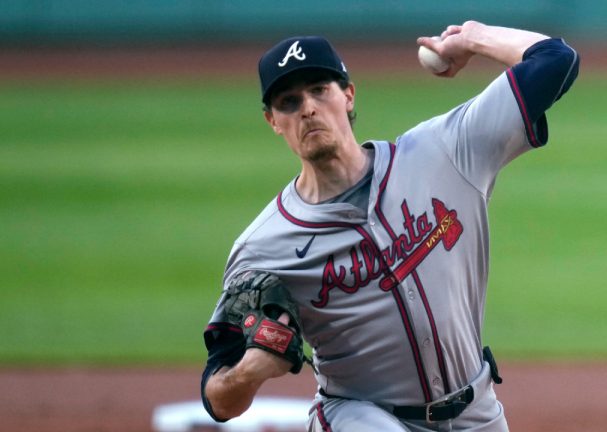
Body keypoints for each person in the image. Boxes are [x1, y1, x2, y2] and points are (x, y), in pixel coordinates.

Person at [201, 20, 579, 431]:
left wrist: (472, 38)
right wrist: (250, 371)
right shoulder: (263, 246)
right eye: (288, 102)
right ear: (273, 121)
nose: (307, 108)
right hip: (358, 417)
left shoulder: (443, 152)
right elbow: (218, 399)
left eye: (319, 90)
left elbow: (556, 60)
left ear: (348, 94)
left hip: (477, 412)